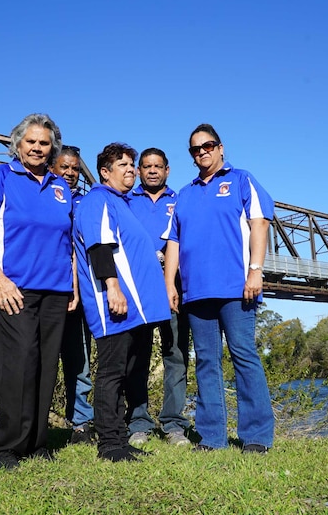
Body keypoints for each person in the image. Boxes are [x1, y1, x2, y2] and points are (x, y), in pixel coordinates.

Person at [0, 113, 75, 471]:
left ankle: (36, 441)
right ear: (17, 144)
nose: (36, 147)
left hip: (56, 290)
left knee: (46, 366)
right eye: (30, 141)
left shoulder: (62, 187)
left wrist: (73, 284)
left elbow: (69, 242)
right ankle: (7, 447)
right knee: (18, 365)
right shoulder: (0, 175)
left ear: (52, 149)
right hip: (14, 288)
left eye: (44, 143)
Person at [164, 123, 275, 454]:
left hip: (236, 288)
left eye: (208, 146)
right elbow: (173, 240)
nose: (202, 152)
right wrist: (170, 282)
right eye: (195, 149)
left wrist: (255, 271)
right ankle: (212, 438)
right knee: (206, 363)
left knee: (244, 356)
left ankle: (256, 437)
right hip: (196, 292)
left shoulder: (242, 180)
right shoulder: (184, 194)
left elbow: (260, 223)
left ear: (221, 147)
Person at [74, 143, 171, 462]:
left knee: (130, 372)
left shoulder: (123, 203)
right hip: (113, 303)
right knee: (112, 373)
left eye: (132, 164)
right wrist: (113, 289)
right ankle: (109, 445)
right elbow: (100, 248)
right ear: (105, 171)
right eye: (124, 164)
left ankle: (120, 438)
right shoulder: (98, 200)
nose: (131, 169)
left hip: (137, 309)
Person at [126, 148, 192, 447]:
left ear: (167, 170)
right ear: (139, 171)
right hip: (138, 289)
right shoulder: (126, 200)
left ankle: (173, 423)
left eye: (158, 166)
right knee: (136, 356)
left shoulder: (181, 200)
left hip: (174, 288)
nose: (152, 171)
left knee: (175, 355)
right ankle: (138, 421)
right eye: (147, 166)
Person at [51, 146, 96, 444]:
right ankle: (30, 419)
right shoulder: (42, 195)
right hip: (46, 287)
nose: (70, 173)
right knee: (39, 358)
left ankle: (81, 422)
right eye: (64, 167)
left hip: (79, 293)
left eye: (75, 169)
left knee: (79, 360)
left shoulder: (86, 202)